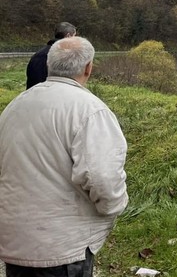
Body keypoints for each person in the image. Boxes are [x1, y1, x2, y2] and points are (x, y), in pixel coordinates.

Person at [0, 36, 129, 275]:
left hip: (15, 242)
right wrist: (113, 207)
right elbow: (102, 177)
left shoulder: (15, 106)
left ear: (48, 64)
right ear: (88, 68)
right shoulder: (90, 110)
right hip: (61, 248)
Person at [25, 22, 76, 89]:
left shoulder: (38, 55)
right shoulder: (63, 56)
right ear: (68, 36)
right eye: (74, 36)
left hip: (33, 92)